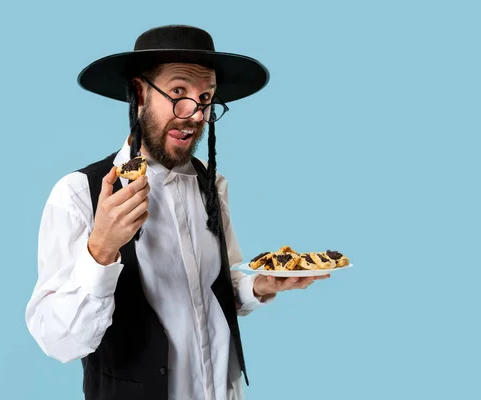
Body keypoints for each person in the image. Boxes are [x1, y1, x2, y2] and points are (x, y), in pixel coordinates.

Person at [25, 25, 329, 400]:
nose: (195, 115)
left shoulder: (211, 185)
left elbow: (212, 289)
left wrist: (260, 285)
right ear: (139, 93)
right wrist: (101, 251)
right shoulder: (77, 194)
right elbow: (57, 341)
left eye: (206, 98)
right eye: (179, 93)